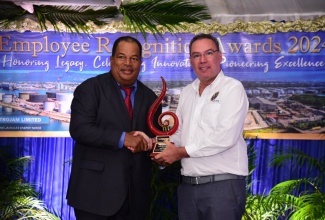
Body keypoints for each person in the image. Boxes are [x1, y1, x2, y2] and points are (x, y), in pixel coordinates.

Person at [152, 33, 249, 220]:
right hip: (188, 188)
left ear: (220, 56)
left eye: (209, 53)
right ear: (190, 61)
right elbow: (179, 133)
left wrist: (179, 153)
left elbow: (225, 137)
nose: (202, 60)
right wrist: (155, 145)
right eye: (196, 55)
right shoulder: (187, 92)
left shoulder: (233, 88)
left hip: (222, 187)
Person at [66, 36, 161, 220]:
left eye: (134, 58)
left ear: (140, 63)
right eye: (121, 57)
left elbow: (157, 138)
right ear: (111, 60)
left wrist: (162, 153)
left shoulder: (150, 97)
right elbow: (79, 129)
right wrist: (123, 138)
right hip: (94, 196)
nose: (128, 63)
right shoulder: (90, 88)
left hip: (136, 200)